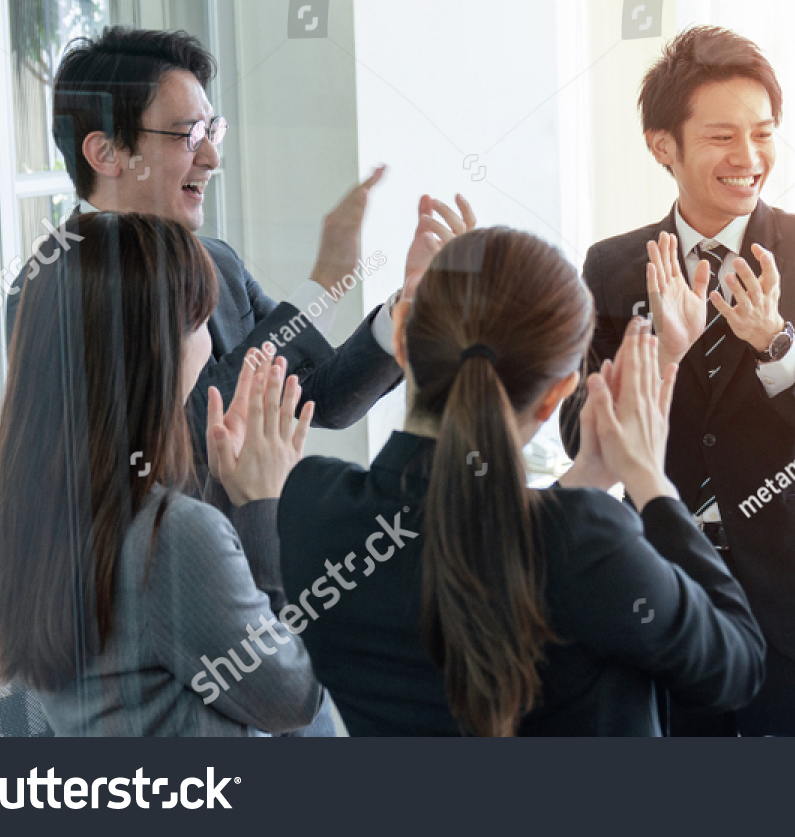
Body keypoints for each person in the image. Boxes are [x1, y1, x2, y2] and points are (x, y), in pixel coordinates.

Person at [276, 227, 766, 736]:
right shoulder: (584, 539)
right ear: (557, 396)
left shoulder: (313, 506)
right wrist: (649, 480)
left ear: (401, 338)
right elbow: (738, 666)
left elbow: (470, 533)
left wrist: (588, 478)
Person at [559, 26, 795, 736]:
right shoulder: (614, 266)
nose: (749, 158)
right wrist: (656, 359)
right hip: (668, 592)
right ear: (662, 145)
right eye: (722, 137)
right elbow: (578, 428)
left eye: (763, 134)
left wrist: (775, 342)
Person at [9, 26, 477, 456]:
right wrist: (322, 286)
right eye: (189, 134)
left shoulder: (218, 262)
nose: (212, 157)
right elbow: (190, 429)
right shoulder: (54, 285)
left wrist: (408, 307)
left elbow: (321, 397)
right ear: (106, 152)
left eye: (212, 130)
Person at [0, 212, 322, 736]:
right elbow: (295, 703)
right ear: (159, 347)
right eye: (199, 322)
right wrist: (263, 507)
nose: (211, 341)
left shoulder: (38, 510)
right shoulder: (173, 535)